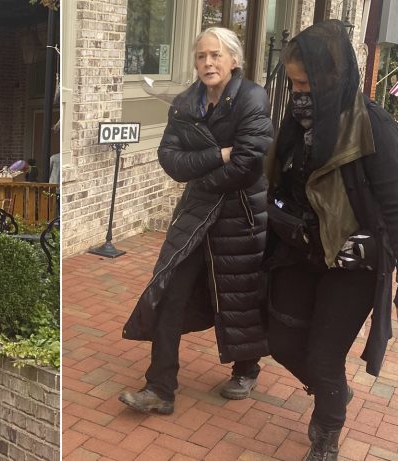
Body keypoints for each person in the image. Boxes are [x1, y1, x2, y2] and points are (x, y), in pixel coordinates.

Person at [264, 21, 398, 461]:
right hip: (301, 252)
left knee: (324, 356)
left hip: (354, 263)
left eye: (306, 84)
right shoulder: (298, 122)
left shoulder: (373, 125)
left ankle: (327, 432)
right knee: (280, 342)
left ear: (332, 77)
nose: (298, 94)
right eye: (293, 84)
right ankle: (332, 391)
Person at [119, 27, 272, 415]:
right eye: (202, 55)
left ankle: (246, 368)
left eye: (216, 55)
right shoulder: (186, 103)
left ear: (233, 60)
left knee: (239, 294)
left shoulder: (252, 98)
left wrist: (202, 175)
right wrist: (219, 155)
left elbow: (247, 164)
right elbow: (171, 160)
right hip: (196, 213)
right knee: (170, 288)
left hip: (240, 214)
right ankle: (159, 387)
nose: (208, 62)